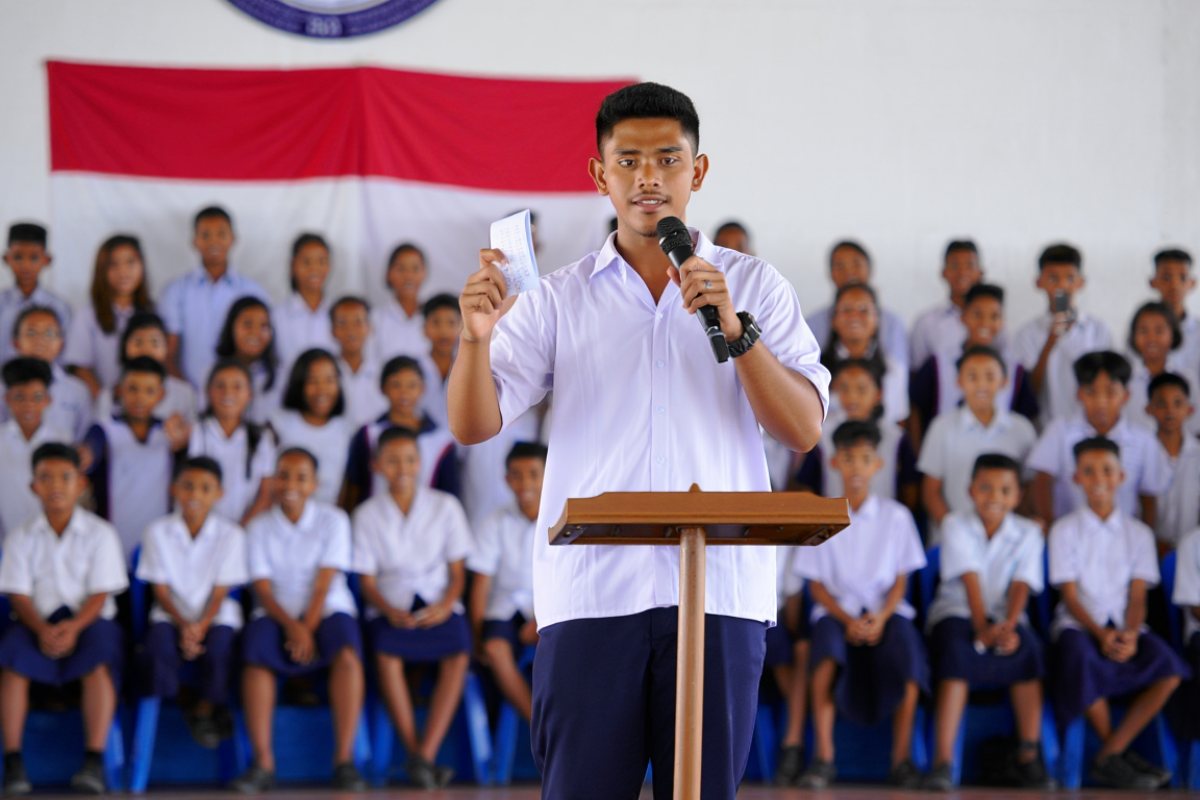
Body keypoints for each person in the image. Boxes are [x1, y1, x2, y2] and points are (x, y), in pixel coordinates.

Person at [447, 82, 829, 799]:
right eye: (628, 160)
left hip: (719, 594)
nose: (648, 177)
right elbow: (474, 424)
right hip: (593, 594)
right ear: (600, 176)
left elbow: (803, 428)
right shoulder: (560, 296)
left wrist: (737, 331)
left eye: (667, 159)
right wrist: (473, 340)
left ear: (699, 170)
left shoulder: (754, 285)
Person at [1048, 437, 1187, 790]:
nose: (1098, 479)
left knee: (1169, 668)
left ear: (1121, 476)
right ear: (1076, 478)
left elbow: (1138, 594)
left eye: (1107, 470)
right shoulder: (1064, 531)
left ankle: (1110, 753)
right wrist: (1101, 633)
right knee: (1080, 660)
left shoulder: (1138, 533)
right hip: (1080, 625)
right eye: (1089, 471)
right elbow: (1070, 596)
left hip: (1126, 625)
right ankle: (1118, 758)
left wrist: (1129, 631)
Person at [794, 421, 927, 789]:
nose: (856, 468)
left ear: (877, 465)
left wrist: (882, 617)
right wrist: (845, 617)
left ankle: (901, 759)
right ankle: (823, 757)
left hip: (886, 613)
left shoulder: (896, 517)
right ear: (835, 463)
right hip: (837, 614)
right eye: (848, 459)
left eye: (865, 460)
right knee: (824, 657)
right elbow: (816, 586)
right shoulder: (823, 514)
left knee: (910, 661)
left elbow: (902, 581)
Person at [233, 447, 366, 793]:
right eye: (284, 475)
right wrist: (293, 627)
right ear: (274, 480)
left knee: (348, 657)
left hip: (325, 608)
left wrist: (306, 626)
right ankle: (263, 763)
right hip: (275, 611)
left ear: (314, 484)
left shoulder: (334, 520)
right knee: (255, 660)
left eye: (301, 477)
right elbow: (261, 588)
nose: (291, 483)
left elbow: (325, 581)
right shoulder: (259, 527)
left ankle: (345, 761)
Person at [0, 443, 127, 795]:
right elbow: (17, 593)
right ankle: (12, 762)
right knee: (12, 663)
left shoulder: (101, 533)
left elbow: (102, 593)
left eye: (65, 477)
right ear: (33, 486)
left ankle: (94, 761)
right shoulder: (20, 536)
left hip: (88, 620)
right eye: (46, 478)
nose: (55, 486)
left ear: (81, 483)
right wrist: (41, 628)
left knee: (98, 662)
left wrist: (73, 627)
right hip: (35, 621)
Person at [352, 428, 472, 789]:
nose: (401, 468)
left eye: (408, 459)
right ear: (377, 466)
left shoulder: (445, 506)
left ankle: (424, 755)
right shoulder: (366, 514)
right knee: (386, 652)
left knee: (459, 651)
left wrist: (446, 605)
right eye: (392, 460)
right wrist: (388, 610)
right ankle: (414, 750)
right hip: (392, 606)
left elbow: (457, 573)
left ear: (420, 463)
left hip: (438, 600)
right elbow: (367, 582)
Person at [923, 454, 1051, 791]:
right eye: (986, 488)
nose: (995, 497)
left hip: (1006, 614)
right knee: (956, 656)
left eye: (1004, 490)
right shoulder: (955, 524)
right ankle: (943, 762)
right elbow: (970, 579)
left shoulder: (1029, 532)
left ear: (1017, 495)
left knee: (1028, 653)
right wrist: (981, 628)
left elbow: (1023, 584)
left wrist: (1008, 627)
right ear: (970, 491)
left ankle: (1029, 755)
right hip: (959, 612)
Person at [137, 456, 247, 747]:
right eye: (188, 486)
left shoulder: (231, 535)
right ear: (175, 489)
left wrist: (201, 625)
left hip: (216, 614)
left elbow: (222, 591)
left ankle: (205, 709)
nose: (195, 495)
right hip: (172, 613)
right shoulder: (157, 531)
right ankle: (184, 700)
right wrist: (186, 624)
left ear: (219, 493)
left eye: (205, 488)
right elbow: (160, 590)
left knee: (222, 648)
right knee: (158, 647)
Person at [1028, 351, 1171, 528]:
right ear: (1079, 394)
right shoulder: (1060, 430)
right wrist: (1050, 526)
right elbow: (1042, 481)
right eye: (1091, 392)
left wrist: (1145, 537)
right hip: (1069, 536)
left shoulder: (1143, 439)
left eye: (1111, 392)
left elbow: (1149, 497)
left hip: (1123, 537)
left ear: (1126, 395)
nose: (1101, 401)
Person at [918, 345, 1037, 538]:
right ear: (959, 381)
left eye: (990, 377)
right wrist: (955, 533)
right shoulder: (942, 427)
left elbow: (1029, 487)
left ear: (1005, 382)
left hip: (1007, 542)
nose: (981, 385)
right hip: (953, 538)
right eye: (972, 377)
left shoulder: (1021, 429)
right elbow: (931, 492)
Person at [467, 442, 546, 723]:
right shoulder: (493, 522)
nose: (526, 483)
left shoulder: (561, 519)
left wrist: (539, 619)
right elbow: (481, 585)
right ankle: (538, 729)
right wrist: (476, 636)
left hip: (549, 609)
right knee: (494, 649)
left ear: (548, 475)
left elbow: (572, 580)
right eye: (518, 475)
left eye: (534, 474)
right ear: (507, 480)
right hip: (503, 609)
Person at [84, 357, 190, 559]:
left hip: (159, 549)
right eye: (132, 389)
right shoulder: (103, 430)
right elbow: (88, 454)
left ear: (161, 395)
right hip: (111, 545)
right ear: (119, 390)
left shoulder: (171, 434)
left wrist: (183, 442)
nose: (140, 398)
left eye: (149, 391)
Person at [909, 283, 1038, 449]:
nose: (985, 323)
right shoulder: (939, 364)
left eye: (994, 316)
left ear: (1002, 321)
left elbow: (1026, 415)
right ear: (963, 317)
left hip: (997, 460)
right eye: (977, 314)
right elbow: (916, 408)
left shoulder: (1014, 370)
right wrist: (919, 454)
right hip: (947, 456)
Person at [159, 206, 269, 388]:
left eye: (221, 234)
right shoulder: (176, 291)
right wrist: (187, 395)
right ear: (194, 241)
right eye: (206, 235)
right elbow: (168, 354)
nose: (214, 241)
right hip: (190, 395)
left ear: (233, 239)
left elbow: (263, 351)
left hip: (240, 397)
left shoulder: (253, 291)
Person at [792, 359, 918, 510]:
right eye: (844, 388)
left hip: (884, 523)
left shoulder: (896, 437)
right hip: (834, 524)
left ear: (878, 394)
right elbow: (807, 485)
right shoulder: (822, 435)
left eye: (861, 389)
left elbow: (910, 487)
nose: (852, 397)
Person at [1010, 243, 1112, 426]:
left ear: (1081, 283)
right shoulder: (1027, 334)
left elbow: (1108, 385)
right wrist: (1050, 342)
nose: (1062, 286)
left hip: (1090, 427)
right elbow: (1028, 391)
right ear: (1039, 282)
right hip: (1044, 428)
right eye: (1053, 278)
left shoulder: (1097, 330)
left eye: (1070, 278)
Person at [342, 355, 458, 509]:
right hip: (376, 519)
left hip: (427, 522)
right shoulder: (368, 434)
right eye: (396, 385)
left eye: (412, 385)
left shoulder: (440, 440)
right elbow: (354, 484)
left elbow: (449, 490)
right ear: (382, 388)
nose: (404, 392)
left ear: (422, 388)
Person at [63, 234, 154, 396]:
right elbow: (80, 367)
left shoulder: (153, 312)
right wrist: (106, 400)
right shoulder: (88, 315)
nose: (123, 271)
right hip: (103, 405)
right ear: (102, 270)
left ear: (142, 265)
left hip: (146, 405)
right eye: (114, 265)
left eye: (130, 262)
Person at [188, 360, 277, 525]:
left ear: (249, 394)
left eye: (237, 387)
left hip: (244, 529)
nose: (228, 393)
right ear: (209, 391)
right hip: (198, 527)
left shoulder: (261, 437)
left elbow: (266, 493)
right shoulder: (195, 431)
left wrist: (239, 531)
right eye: (220, 386)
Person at [805, 240, 908, 371]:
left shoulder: (893, 324)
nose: (849, 272)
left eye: (856, 264)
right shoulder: (813, 323)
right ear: (834, 320)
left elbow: (898, 378)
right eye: (840, 266)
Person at [268, 348, 352, 506]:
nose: (322, 389)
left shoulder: (346, 429)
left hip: (328, 518)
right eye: (313, 381)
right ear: (299, 384)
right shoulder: (279, 423)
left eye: (329, 380)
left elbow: (346, 486)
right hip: (282, 516)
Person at [0, 358, 70, 540]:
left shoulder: (63, 439)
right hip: (8, 540)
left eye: (37, 397)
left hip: (51, 539)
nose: (28, 405)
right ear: (7, 399)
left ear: (48, 400)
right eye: (19, 397)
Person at [820, 283, 908, 425]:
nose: (854, 316)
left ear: (877, 320)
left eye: (863, 310)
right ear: (834, 320)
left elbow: (896, 420)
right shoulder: (817, 368)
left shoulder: (892, 369)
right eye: (847, 310)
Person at [7, 306, 93, 442]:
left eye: (49, 333)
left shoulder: (77, 390)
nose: (40, 340)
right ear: (16, 343)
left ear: (61, 344)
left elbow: (83, 436)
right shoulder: (3, 387)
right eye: (31, 333)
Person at [99, 311, 198, 423]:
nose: (146, 350)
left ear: (166, 348)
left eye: (154, 343)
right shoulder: (110, 395)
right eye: (138, 342)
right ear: (124, 346)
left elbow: (193, 436)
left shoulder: (184, 394)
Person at [0, 223, 71, 365]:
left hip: (48, 383)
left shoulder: (59, 307)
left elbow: (65, 354)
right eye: (18, 257)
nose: (26, 265)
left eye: (34, 258)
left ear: (47, 260)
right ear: (7, 259)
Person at [1124, 301, 1198, 434]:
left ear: (1173, 334)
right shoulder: (1125, 378)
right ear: (1133, 335)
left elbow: (1196, 425)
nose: (1151, 338)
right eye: (1143, 330)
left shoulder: (1187, 377)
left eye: (1159, 330)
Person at [909, 239, 984, 369]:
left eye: (969, 265)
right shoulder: (926, 323)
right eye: (955, 266)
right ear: (943, 273)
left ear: (980, 273)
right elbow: (916, 371)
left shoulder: (994, 321)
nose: (962, 272)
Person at [1146, 373, 1200, 549]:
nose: (1170, 411)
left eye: (1178, 403)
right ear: (1149, 409)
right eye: (1161, 404)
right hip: (1150, 547)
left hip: (1193, 548)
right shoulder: (1143, 453)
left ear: (1189, 409)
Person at [214, 297, 280, 425]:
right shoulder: (213, 372)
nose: (255, 332)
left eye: (263, 326)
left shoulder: (281, 376)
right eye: (247, 324)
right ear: (231, 327)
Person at [273, 233, 335, 369]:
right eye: (306, 262)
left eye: (321, 261)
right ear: (293, 266)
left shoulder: (338, 314)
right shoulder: (276, 316)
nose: (314, 269)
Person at [330, 296, 387, 430]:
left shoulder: (383, 371)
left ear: (369, 328)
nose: (350, 330)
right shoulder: (326, 371)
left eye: (358, 322)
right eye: (342, 323)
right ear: (332, 330)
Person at [371, 243, 429, 364]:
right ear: (388, 274)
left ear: (424, 273)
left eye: (415, 268)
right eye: (401, 269)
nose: (408, 276)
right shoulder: (375, 319)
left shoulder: (433, 318)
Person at [1149, 248, 1199, 369]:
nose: (1174, 285)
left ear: (1192, 283)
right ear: (1153, 282)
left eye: (1182, 277)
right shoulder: (1142, 331)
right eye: (1166, 277)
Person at [416, 293, 461, 428]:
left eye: (451, 323)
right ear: (424, 329)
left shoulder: (471, 368)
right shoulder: (413, 368)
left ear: (462, 327)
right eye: (436, 322)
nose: (444, 331)